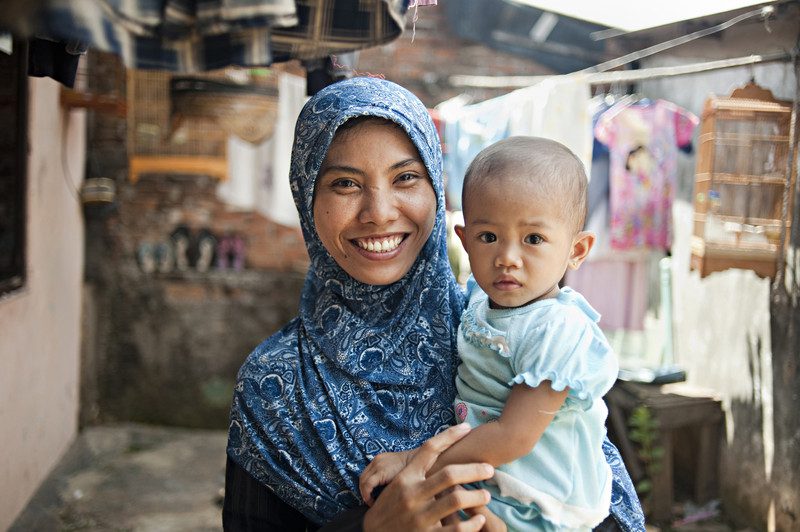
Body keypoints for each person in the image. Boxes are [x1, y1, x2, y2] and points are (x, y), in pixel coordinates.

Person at [223, 77, 645, 532]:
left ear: (437, 192)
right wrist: (372, 528)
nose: (380, 212)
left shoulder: (503, 330)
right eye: (345, 183)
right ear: (307, 196)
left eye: (406, 177)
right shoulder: (276, 383)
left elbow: (601, 501)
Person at [360, 136, 622, 531]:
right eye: (488, 237)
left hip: (545, 497)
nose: (507, 258)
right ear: (464, 241)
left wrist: (416, 462)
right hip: (493, 480)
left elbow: (514, 435)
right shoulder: (478, 304)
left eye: (533, 239)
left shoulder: (556, 328)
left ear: (577, 249)